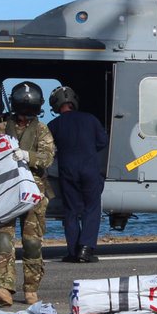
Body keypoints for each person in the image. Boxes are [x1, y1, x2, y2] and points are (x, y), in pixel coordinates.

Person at [0, 80, 55, 306]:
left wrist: (28, 156)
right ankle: (5, 288)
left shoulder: (42, 130)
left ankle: (31, 288)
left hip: (34, 192)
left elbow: (47, 158)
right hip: (6, 190)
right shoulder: (0, 128)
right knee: (3, 240)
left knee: (32, 243)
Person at [47, 85, 108, 263]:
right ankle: (86, 248)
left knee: (71, 211)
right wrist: (88, 149)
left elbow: (49, 149)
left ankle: (73, 251)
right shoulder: (90, 119)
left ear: (56, 105)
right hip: (89, 168)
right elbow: (102, 142)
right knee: (92, 207)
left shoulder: (54, 125)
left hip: (67, 170)